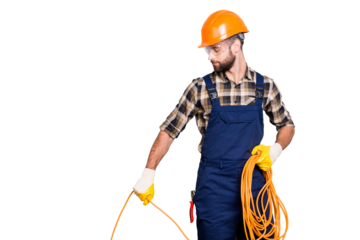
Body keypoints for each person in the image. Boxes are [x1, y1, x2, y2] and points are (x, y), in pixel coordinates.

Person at [132, 8, 296, 240]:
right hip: (214, 191)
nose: (209, 57)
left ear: (237, 46)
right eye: (207, 50)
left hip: (255, 188)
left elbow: (286, 125)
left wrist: (276, 149)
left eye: (215, 49)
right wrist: (148, 173)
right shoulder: (199, 87)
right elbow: (169, 130)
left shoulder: (265, 85)